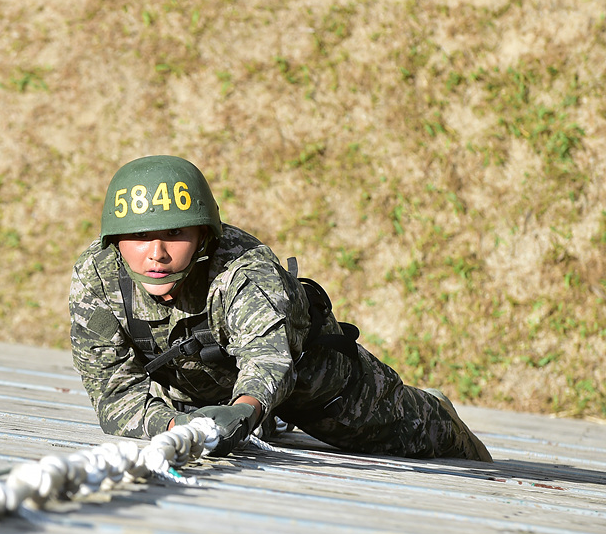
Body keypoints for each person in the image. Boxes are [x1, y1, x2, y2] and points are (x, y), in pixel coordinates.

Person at [69, 155, 493, 461]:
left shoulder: (244, 268)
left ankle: (435, 409)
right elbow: (115, 393)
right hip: (199, 396)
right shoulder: (98, 279)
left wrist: (244, 411)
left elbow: (269, 360)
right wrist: (176, 427)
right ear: (115, 239)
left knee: (420, 436)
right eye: (139, 235)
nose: (156, 254)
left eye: (175, 233)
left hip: (316, 382)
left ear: (203, 234)